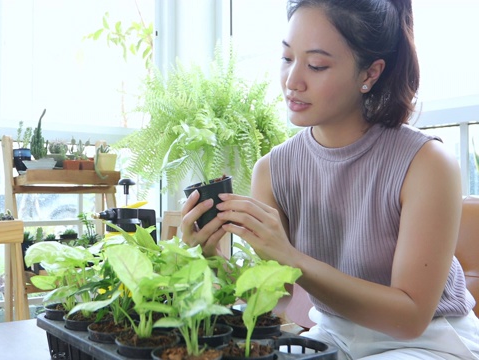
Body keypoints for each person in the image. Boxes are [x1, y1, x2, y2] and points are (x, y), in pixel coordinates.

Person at [181, 0, 479, 358]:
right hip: (331, 337)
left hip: (427, 342)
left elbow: (410, 317)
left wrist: (291, 258)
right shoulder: (273, 169)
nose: (293, 81)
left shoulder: (427, 162)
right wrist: (212, 255)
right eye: (287, 58)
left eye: (317, 65)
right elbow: (273, 301)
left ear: (369, 73)